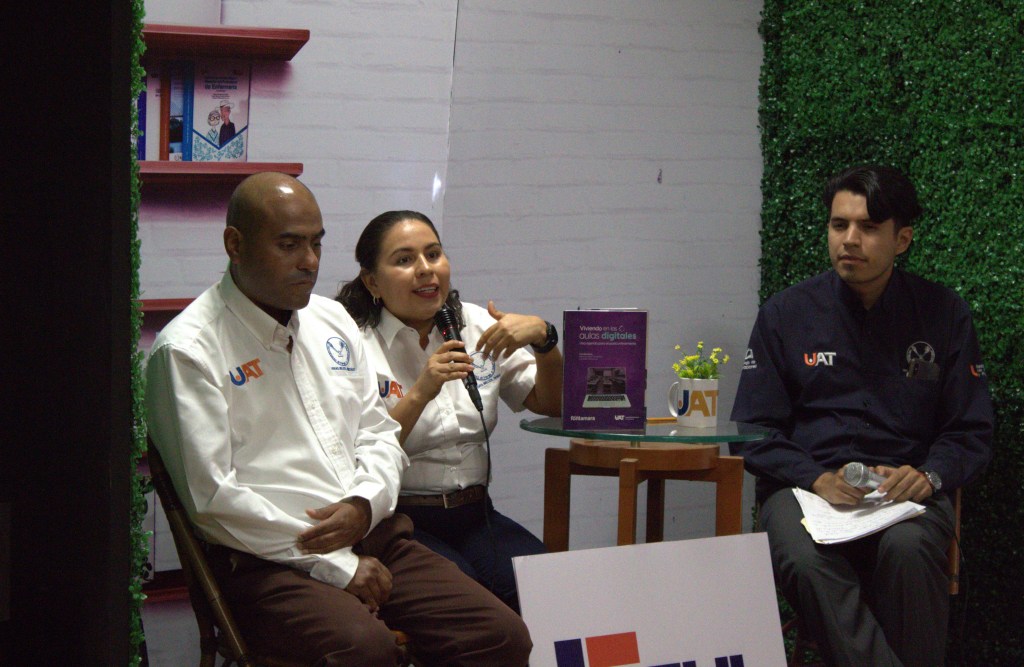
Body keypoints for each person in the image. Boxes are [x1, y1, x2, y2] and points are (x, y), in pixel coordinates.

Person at [145, 173, 532, 666]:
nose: (309, 261)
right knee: (364, 649)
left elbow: (379, 432)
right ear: (234, 244)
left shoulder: (331, 320)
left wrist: (364, 504)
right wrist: (335, 567)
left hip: (373, 533)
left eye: (316, 244)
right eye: (289, 245)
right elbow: (214, 500)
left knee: (501, 635)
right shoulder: (189, 350)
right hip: (268, 561)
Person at [731, 165, 994, 666]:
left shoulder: (944, 313)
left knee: (909, 550)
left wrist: (930, 475)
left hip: (905, 493)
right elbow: (752, 431)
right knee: (809, 560)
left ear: (902, 239)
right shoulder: (785, 313)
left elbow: (971, 429)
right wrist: (815, 477)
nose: (849, 240)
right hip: (805, 490)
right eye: (838, 225)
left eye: (869, 227)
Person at [336, 210, 562, 613]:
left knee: (554, 592)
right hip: (400, 522)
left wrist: (546, 341)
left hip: (477, 516)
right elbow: (352, 452)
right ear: (372, 281)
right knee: (473, 607)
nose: (426, 270)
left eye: (434, 254)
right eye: (404, 260)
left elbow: (551, 403)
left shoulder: (475, 325)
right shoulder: (352, 344)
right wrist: (422, 390)